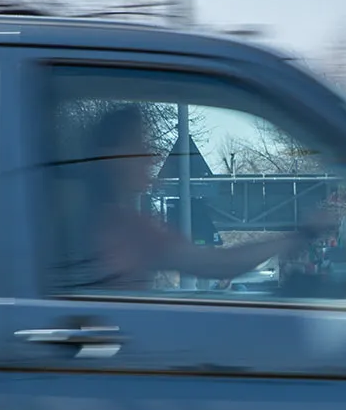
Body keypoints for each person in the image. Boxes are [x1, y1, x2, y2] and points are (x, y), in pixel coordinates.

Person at [86, 104, 328, 291]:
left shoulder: (93, 218)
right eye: (139, 146)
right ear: (111, 156)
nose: (152, 158)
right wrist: (301, 235)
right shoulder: (129, 228)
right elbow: (217, 263)